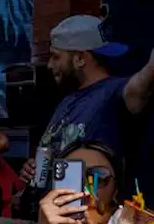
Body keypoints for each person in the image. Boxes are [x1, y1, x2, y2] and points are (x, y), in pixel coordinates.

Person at [17, 15, 154, 188]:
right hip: (51, 211)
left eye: (56, 57)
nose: (50, 65)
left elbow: (138, 89)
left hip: (91, 211)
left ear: (80, 58)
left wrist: (151, 68)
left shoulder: (113, 92)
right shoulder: (67, 100)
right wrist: (33, 168)